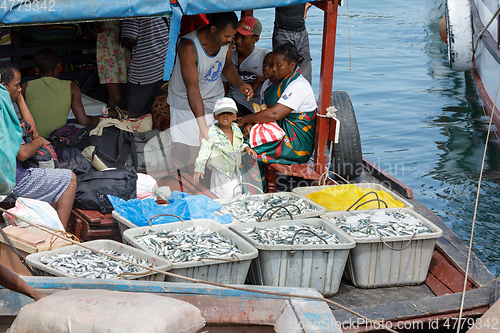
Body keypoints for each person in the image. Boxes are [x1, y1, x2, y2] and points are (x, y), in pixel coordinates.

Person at [167, 11, 254, 171]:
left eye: (232, 36)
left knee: (209, 151)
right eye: (227, 36)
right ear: (213, 29)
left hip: (214, 101)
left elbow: (226, 65)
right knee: (187, 150)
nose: (230, 41)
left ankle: (203, 187)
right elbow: (192, 89)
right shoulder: (188, 46)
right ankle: (178, 180)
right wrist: (202, 127)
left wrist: (240, 83)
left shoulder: (225, 43)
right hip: (186, 104)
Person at [1, 62, 77, 229]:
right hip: (11, 181)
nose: (20, 89)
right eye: (17, 85)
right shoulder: (3, 113)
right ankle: (60, 237)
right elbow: (23, 152)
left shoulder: (5, 106)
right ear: (3, 86)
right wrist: (39, 142)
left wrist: (18, 97)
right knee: (69, 179)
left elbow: (31, 132)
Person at [237, 42, 316, 165]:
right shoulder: (272, 83)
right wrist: (250, 123)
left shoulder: (298, 85)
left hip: (295, 142)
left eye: (278, 65)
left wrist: (244, 119)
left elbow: (274, 114)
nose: (274, 69)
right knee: (233, 134)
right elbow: (262, 111)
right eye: (273, 65)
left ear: (292, 65)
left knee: (247, 152)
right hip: (275, 129)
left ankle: (254, 183)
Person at [21, 48, 91, 139]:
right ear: (59, 65)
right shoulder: (71, 87)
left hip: (33, 141)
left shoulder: (25, 86)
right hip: (57, 140)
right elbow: (83, 122)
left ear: (37, 70)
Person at [193, 97, 256, 198]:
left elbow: (239, 145)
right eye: (221, 113)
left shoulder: (236, 129)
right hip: (221, 172)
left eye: (229, 113)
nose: (225, 115)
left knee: (237, 193)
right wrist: (199, 168)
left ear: (235, 116)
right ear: (215, 116)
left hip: (235, 169)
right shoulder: (212, 132)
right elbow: (204, 151)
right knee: (224, 196)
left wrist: (246, 148)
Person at [122, 17, 169, 117]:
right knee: (160, 114)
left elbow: (130, 40)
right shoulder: (166, 5)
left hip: (143, 72)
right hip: (165, 69)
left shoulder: (134, 9)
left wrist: (122, 36)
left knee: (136, 117)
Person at [224, 16, 271, 116]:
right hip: (232, 103)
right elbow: (224, 86)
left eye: (244, 37)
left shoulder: (266, 56)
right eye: (236, 35)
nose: (238, 41)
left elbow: (278, 78)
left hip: (254, 107)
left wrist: (258, 81)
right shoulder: (228, 55)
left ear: (256, 39)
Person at [273, 3, 312, 83]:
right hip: (283, 31)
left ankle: (304, 94)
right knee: (282, 74)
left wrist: (307, 4)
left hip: (301, 31)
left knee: (305, 74)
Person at [95, 20, 130, 110]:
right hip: (107, 45)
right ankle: (112, 121)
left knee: (126, 94)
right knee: (116, 97)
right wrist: (94, 25)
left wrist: (126, 30)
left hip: (126, 42)